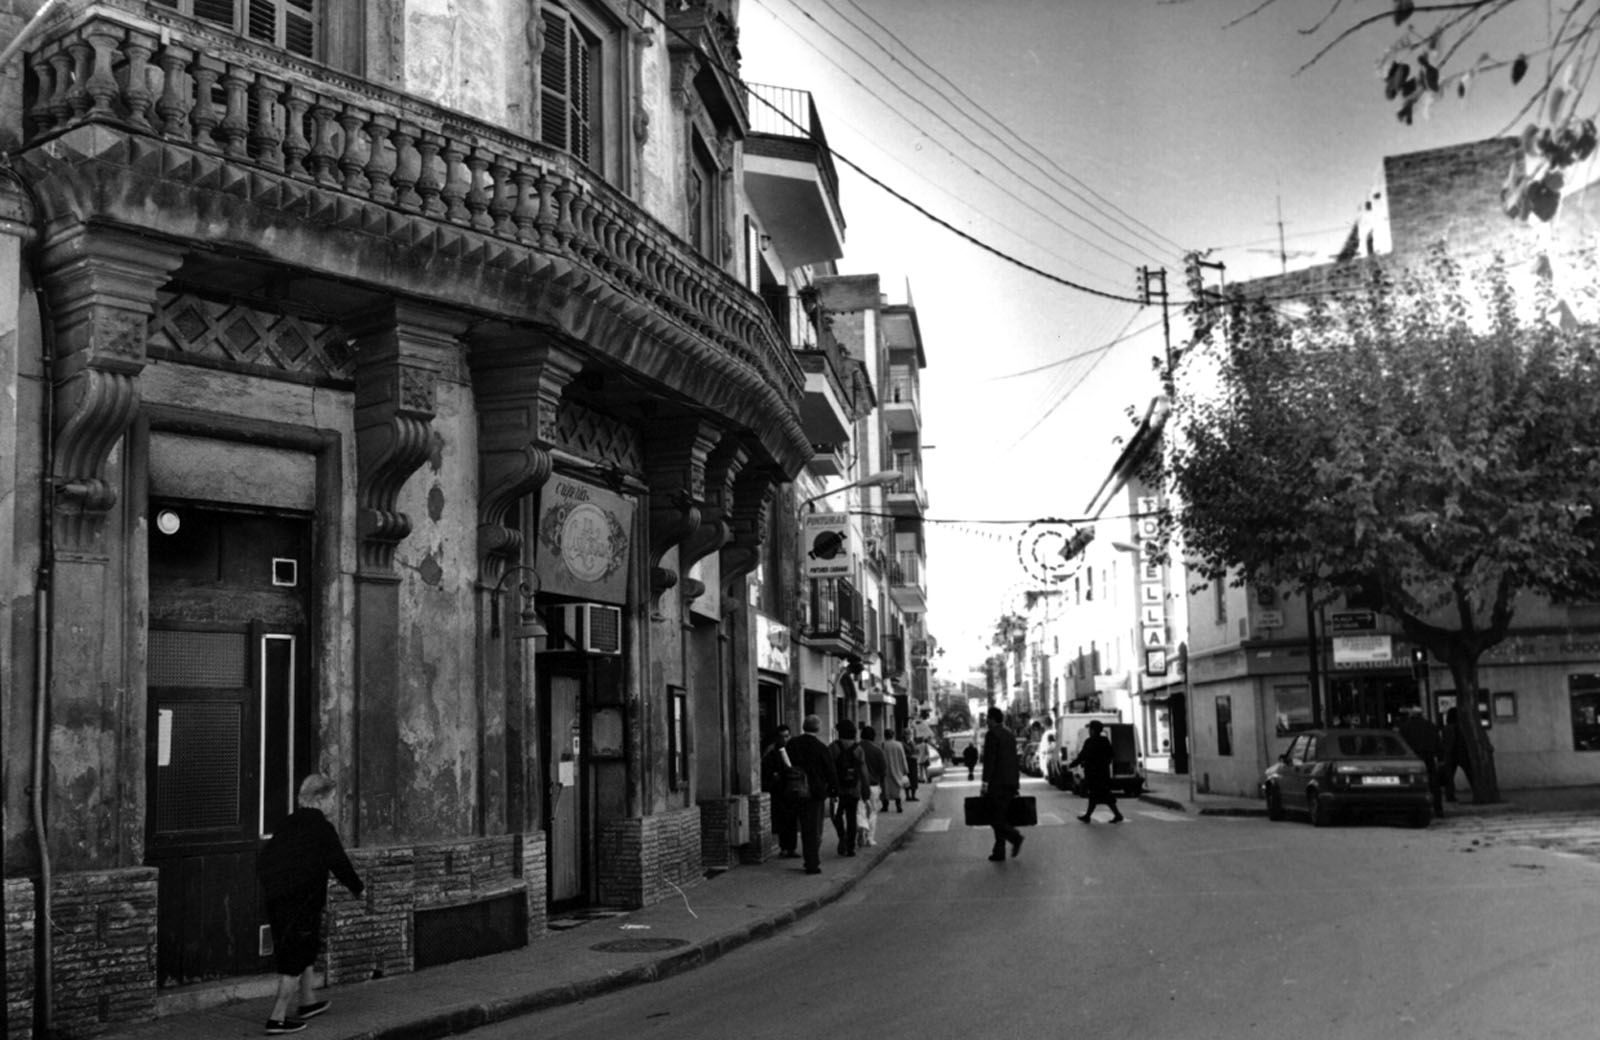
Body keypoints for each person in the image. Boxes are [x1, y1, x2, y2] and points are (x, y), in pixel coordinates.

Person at [257, 774, 364, 1036]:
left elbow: (264, 862)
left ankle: (308, 1001)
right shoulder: (321, 828)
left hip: (280, 900)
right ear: (319, 799)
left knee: (306, 947)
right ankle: (277, 1017)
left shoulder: (287, 824)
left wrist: (275, 888)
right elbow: (339, 863)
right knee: (294, 957)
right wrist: (358, 889)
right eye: (332, 799)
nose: (333, 804)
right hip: (302, 902)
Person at [785, 715, 837, 875]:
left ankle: (788, 848)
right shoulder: (821, 747)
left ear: (803, 726)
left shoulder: (792, 744)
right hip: (814, 793)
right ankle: (811, 862)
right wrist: (833, 790)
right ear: (818, 728)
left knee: (794, 823)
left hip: (794, 790)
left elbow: (785, 763)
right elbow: (830, 771)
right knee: (813, 829)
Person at [980, 707, 1024, 861]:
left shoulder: (992, 735)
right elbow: (1014, 761)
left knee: (995, 818)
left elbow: (989, 761)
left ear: (992, 719)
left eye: (987, 718)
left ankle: (1015, 837)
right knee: (1001, 816)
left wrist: (985, 782)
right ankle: (999, 851)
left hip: (997, 783)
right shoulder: (1010, 735)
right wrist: (1016, 783)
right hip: (1010, 782)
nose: (986, 721)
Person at [1069, 719, 1124, 823]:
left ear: (1093, 730)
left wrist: (1072, 764)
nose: (1089, 731)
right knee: (1100, 795)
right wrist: (1105, 764)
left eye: (1090, 729)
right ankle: (1113, 815)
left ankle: (1114, 815)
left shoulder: (1090, 742)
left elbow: (1082, 756)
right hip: (1102, 773)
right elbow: (1111, 755)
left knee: (1097, 794)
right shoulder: (1104, 741)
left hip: (1094, 774)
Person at [1397, 704, 1444, 817]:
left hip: (1412, 758)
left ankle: (1412, 809)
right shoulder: (1430, 726)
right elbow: (1438, 743)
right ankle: (1438, 809)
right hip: (1428, 757)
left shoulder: (1405, 727)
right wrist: (1441, 757)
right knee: (1433, 784)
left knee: (1411, 784)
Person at [829, 719, 868, 857]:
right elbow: (863, 771)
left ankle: (842, 836)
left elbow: (830, 769)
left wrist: (830, 787)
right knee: (851, 818)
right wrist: (866, 789)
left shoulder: (833, 747)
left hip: (838, 790)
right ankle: (851, 847)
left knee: (836, 815)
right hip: (854, 789)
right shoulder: (858, 749)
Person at [759, 724, 799, 857]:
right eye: (782, 736)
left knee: (792, 819)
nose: (784, 739)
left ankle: (791, 848)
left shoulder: (793, 749)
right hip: (778, 790)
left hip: (792, 788)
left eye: (786, 736)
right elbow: (765, 768)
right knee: (782, 819)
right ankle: (783, 847)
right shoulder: (771, 750)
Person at [857, 725, 887, 847]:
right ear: (873, 737)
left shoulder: (856, 748)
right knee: (873, 812)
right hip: (873, 786)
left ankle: (861, 828)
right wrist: (883, 788)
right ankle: (870, 838)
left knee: (860, 810)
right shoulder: (877, 750)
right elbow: (883, 771)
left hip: (858, 785)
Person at [882, 728, 910, 813]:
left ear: (885, 736)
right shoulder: (899, 744)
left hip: (886, 771)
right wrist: (905, 769)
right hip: (898, 770)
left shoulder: (883, 745)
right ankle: (898, 806)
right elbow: (903, 757)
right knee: (897, 788)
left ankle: (885, 806)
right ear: (893, 735)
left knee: (885, 789)